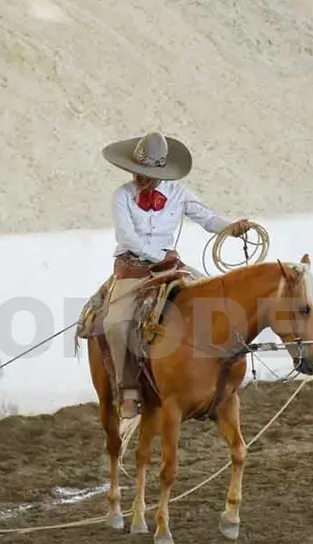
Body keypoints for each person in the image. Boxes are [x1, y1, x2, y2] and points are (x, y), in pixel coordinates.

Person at [100, 131, 252, 421]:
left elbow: (207, 218)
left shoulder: (179, 194)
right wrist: (160, 256)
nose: (141, 179)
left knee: (214, 298)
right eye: (137, 172)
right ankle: (128, 389)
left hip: (169, 265)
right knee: (115, 323)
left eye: (148, 174)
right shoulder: (122, 196)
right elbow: (127, 237)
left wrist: (230, 228)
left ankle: (217, 375)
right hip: (133, 267)